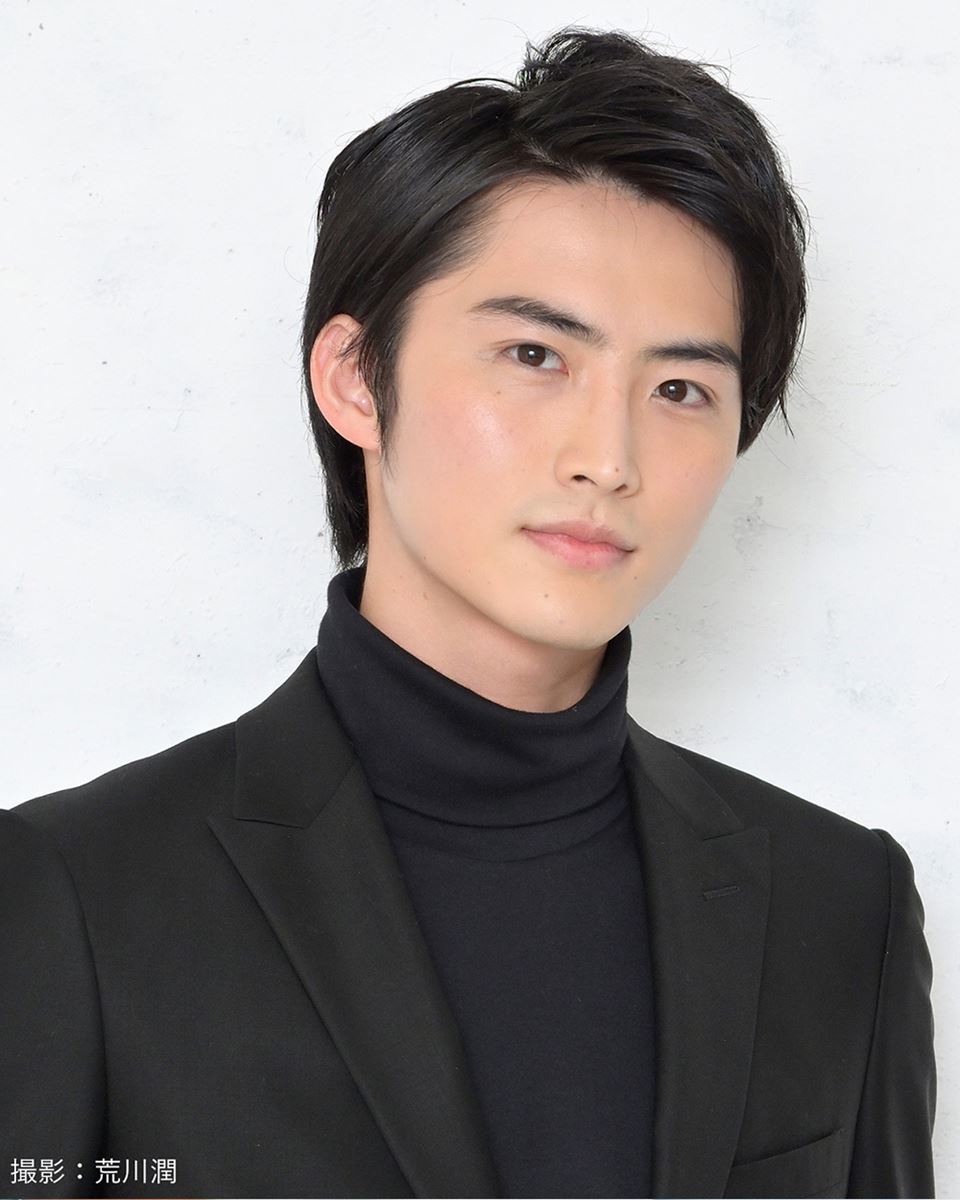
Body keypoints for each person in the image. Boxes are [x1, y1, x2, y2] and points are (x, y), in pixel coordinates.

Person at [1, 25, 936, 1200]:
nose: (610, 458)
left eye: (680, 387)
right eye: (536, 355)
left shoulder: (839, 905)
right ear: (354, 378)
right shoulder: (76, 894)